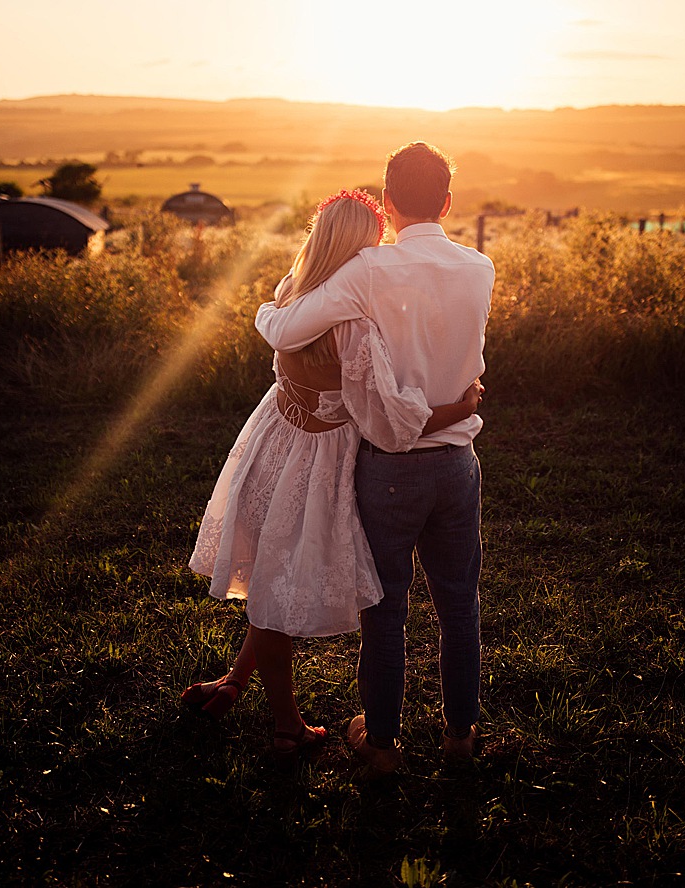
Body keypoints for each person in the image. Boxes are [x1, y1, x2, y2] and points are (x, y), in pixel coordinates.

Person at [184, 188, 484, 762]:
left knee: (273, 580)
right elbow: (393, 417)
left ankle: (235, 684)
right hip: (326, 463)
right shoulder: (354, 324)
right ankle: (287, 726)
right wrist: (460, 407)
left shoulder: (290, 298)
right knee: (289, 589)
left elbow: (275, 326)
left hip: (273, 445)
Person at [255, 142, 495, 775]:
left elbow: (286, 330)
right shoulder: (480, 269)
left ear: (386, 206)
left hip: (389, 468)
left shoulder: (369, 272)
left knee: (387, 608)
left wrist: (265, 307)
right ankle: (461, 736)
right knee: (459, 603)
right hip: (459, 462)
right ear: (448, 202)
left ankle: (383, 746)